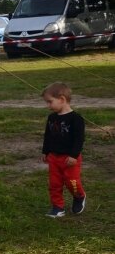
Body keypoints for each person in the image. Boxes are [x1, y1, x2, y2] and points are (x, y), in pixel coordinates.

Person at [41, 82, 86, 218]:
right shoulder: (52, 118)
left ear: (62, 99)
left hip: (70, 159)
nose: (48, 106)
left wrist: (73, 155)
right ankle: (57, 207)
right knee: (54, 183)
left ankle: (79, 196)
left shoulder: (76, 119)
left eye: (50, 102)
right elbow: (48, 136)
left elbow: (79, 139)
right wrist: (45, 151)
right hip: (54, 158)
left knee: (72, 182)